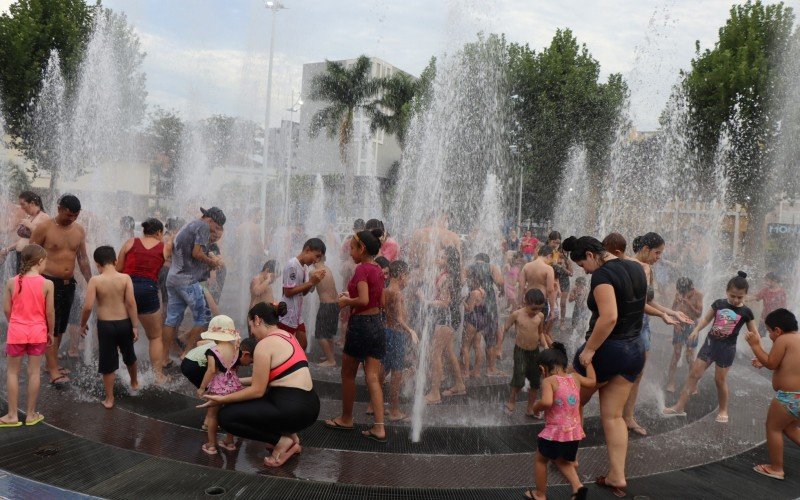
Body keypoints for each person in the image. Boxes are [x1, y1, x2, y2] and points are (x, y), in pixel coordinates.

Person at [563, 235, 647, 497]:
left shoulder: (602, 275)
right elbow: (641, 306)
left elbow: (609, 317)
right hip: (634, 349)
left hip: (607, 350)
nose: (584, 271)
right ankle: (617, 476)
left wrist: (589, 350)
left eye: (581, 265)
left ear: (590, 255)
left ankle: (569, 459)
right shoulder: (636, 266)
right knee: (613, 416)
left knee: (571, 401)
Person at [201, 302, 320, 468]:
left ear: (257, 320)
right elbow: (273, 377)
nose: (252, 332)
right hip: (309, 406)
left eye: (251, 326)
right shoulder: (288, 336)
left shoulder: (264, 345)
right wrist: (235, 382)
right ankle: (291, 437)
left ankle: (281, 441)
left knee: (226, 417)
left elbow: (257, 390)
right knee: (261, 401)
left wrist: (222, 399)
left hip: (291, 409)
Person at [664, 272, 756, 423]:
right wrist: (696, 330)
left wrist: (757, 351)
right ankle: (679, 406)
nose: (735, 299)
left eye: (740, 297)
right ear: (727, 291)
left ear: (745, 295)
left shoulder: (746, 312)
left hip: (727, 349)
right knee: (694, 374)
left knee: (720, 380)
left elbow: (754, 334)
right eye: (732, 295)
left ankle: (723, 409)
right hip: (710, 344)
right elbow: (706, 318)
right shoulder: (719, 304)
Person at [325, 228, 388, 441]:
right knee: (372, 376)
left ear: (362, 249)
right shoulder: (378, 269)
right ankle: (379, 427)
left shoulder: (362, 269)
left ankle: (346, 418)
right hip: (377, 323)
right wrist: (351, 296)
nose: (350, 251)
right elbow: (379, 301)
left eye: (352, 247)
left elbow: (362, 300)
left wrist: (346, 301)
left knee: (348, 374)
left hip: (361, 325)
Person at [29, 194, 92, 385]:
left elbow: (82, 258)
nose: (71, 219)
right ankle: (53, 370)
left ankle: (51, 364)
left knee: (60, 327)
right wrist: (28, 283)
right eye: (68, 215)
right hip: (47, 282)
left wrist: (91, 282)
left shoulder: (79, 230)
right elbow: (30, 255)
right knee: (49, 326)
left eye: (75, 216)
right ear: (59, 209)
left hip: (68, 284)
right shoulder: (45, 227)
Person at [525, 342, 594, 500]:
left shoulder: (549, 381)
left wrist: (536, 407)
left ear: (543, 369)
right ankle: (578, 487)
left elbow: (547, 402)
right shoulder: (575, 377)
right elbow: (591, 381)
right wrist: (588, 363)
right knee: (562, 460)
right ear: (564, 364)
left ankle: (540, 494)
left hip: (556, 432)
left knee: (541, 460)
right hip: (573, 433)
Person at [79, 246, 139, 409]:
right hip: (124, 322)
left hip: (105, 326)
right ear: (116, 261)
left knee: (108, 362)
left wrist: (83, 324)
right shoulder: (125, 278)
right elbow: (131, 303)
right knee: (129, 354)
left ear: (97, 264)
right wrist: (134, 326)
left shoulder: (95, 280)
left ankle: (109, 399)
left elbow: (88, 307)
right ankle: (134, 383)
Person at [0, 244, 54, 427]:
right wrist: (50, 331)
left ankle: (12, 415)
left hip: (16, 332)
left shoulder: (11, 281)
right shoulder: (47, 283)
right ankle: (31, 415)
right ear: (39, 261)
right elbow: (50, 313)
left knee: (13, 373)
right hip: (38, 333)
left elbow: (6, 309)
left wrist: (14, 322)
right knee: (34, 373)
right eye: (45, 260)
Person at [162, 207, 225, 364]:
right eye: (216, 227)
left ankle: (164, 357)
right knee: (204, 318)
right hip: (187, 280)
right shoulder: (203, 226)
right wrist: (212, 262)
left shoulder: (189, 225)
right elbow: (197, 253)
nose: (215, 231)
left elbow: (186, 252)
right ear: (210, 220)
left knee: (172, 319)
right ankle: (187, 354)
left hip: (173, 278)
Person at [745, 308, 800, 481]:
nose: (769, 335)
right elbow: (784, 364)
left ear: (777, 330)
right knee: (789, 427)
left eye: (769, 331)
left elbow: (771, 363)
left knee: (773, 427)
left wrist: (755, 345)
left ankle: (776, 468)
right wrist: (763, 361)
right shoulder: (796, 339)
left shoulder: (782, 339)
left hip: (788, 397)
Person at [117, 218, 168, 383]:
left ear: (144, 231)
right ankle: (158, 376)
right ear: (159, 232)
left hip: (126, 289)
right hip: (148, 291)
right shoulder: (164, 248)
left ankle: (120, 371)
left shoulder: (131, 242)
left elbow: (118, 269)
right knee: (155, 336)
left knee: (122, 334)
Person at [422, 246, 467, 404]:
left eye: (441, 257)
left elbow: (445, 302)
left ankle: (435, 394)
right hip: (450, 318)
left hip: (444, 318)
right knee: (448, 352)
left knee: (436, 354)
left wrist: (425, 301)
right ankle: (460, 384)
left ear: (448, 261)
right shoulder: (450, 275)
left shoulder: (447, 277)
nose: (437, 259)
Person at [196, 315, 242, 455]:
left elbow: (211, 370)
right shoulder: (236, 349)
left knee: (212, 415)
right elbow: (235, 369)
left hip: (217, 387)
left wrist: (202, 387)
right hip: (234, 386)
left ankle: (211, 444)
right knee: (230, 414)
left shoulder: (212, 351)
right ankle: (229, 442)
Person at [502, 288, 548, 416]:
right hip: (520, 351)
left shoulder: (540, 316)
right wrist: (498, 347)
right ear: (525, 302)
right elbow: (504, 329)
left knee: (535, 381)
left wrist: (545, 346)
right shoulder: (517, 314)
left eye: (539, 308)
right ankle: (511, 401)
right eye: (533, 308)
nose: (536, 312)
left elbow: (540, 333)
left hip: (534, 352)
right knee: (519, 378)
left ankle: (530, 407)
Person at [383, 260, 418, 421]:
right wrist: (410, 330)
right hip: (396, 334)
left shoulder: (388, 289)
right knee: (396, 374)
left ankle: (374, 403)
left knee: (384, 369)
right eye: (407, 276)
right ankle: (394, 411)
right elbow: (398, 318)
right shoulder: (396, 292)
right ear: (401, 275)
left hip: (389, 332)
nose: (408, 280)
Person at [278, 238, 327, 351]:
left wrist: (313, 282)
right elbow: (288, 292)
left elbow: (303, 292)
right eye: (317, 256)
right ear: (307, 250)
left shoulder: (304, 267)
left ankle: (296, 366)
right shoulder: (292, 265)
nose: (316, 261)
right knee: (285, 348)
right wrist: (310, 282)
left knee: (303, 345)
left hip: (297, 315)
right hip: (287, 314)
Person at [667, 277, 704, 393]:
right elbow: (672, 310)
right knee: (676, 354)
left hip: (691, 328)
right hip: (679, 326)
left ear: (691, 289)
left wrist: (688, 303)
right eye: (681, 292)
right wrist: (675, 324)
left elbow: (699, 314)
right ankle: (671, 381)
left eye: (685, 293)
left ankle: (692, 384)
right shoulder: (679, 294)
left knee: (690, 357)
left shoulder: (698, 295)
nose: (683, 294)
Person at [0, 191, 50, 274]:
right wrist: (7, 249)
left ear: (32, 203)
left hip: (31, 258)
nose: (21, 207)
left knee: (25, 282)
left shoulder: (44, 217)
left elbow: (44, 237)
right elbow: (23, 240)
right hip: (21, 255)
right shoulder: (30, 217)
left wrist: (30, 225)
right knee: (19, 282)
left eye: (23, 204)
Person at [518, 245, 556, 339]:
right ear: (549, 256)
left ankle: (526, 347)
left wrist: (519, 302)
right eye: (551, 259)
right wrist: (552, 309)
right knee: (540, 330)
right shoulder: (548, 268)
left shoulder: (527, 266)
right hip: (541, 302)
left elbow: (521, 286)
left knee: (528, 327)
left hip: (528, 300)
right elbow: (550, 290)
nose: (550, 261)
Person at [475, 253, 505, 367]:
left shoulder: (471, 267)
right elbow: (500, 282)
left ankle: (471, 370)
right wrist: (502, 290)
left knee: (474, 336)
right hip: (488, 302)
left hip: (475, 302)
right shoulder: (491, 267)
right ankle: (490, 369)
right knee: (490, 335)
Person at [462, 264, 487, 378]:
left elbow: (470, 309)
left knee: (465, 346)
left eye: (469, 279)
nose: (468, 281)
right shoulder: (482, 291)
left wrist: (462, 301)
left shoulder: (474, 293)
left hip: (472, 319)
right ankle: (477, 372)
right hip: (481, 320)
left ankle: (466, 372)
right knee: (477, 346)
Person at [314, 254, 339, 367]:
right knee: (329, 334)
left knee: (320, 335)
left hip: (326, 305)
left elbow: (309, 289)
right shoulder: (327, 269)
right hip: (335, 305)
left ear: (316, 258)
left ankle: (330, 360)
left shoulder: (315, 272)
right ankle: (331, 355)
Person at [751, 272, 787, 337]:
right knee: (759, 335)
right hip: (765, 319)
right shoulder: (765, 290)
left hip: (777, 320)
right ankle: (756, 346)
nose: (766, 282)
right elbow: (756, 297)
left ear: (774, 281)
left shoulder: (782, 293)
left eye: (767, 280)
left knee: (777, 337)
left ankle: (776, 347)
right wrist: (743, 298)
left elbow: (784, 307)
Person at [548, 231, 573, 325]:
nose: (564, 253)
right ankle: (553, 319)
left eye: (566, 252)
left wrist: (565, 265)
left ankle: (562, 322)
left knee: (563, 303)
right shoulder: (555, 256)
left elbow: (571, 274)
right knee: (553, 301)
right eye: (563, 251)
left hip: (565, 281)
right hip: (556, 280)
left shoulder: (567, 260)